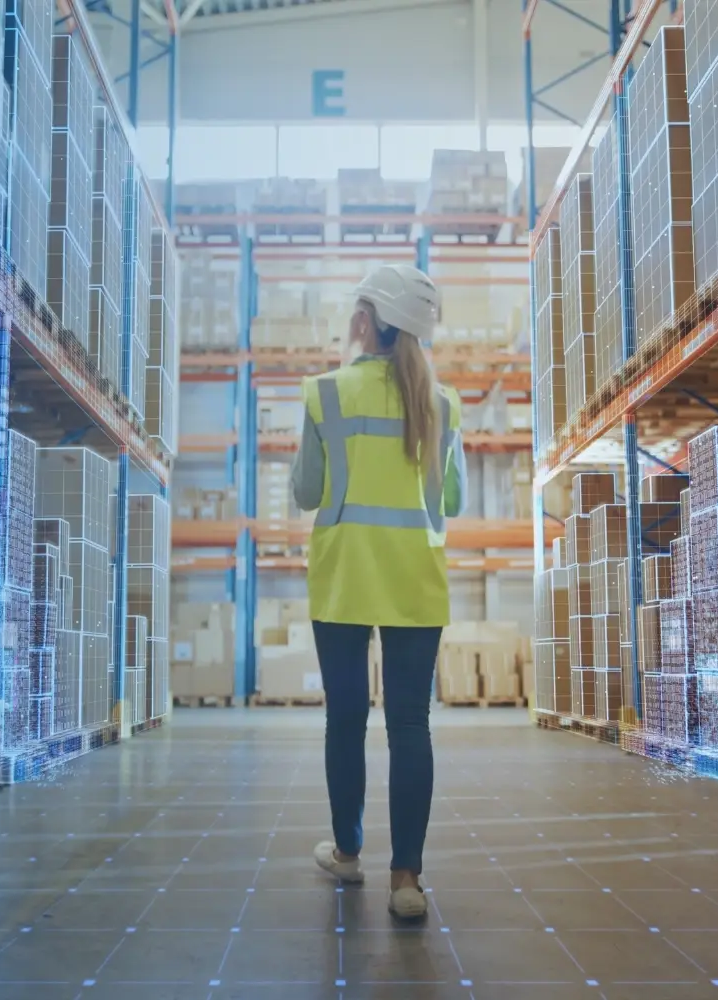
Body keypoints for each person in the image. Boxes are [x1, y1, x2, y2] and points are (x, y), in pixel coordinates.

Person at [291, 263, 467, 920]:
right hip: (415, 584)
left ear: (368, 320)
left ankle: (346, 852)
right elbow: (453, 499)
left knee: (345, 721)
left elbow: (308, 493)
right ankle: (407, 882)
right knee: (410, 727)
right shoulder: (443, 405)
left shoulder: (324, 394)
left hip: (342, 581)